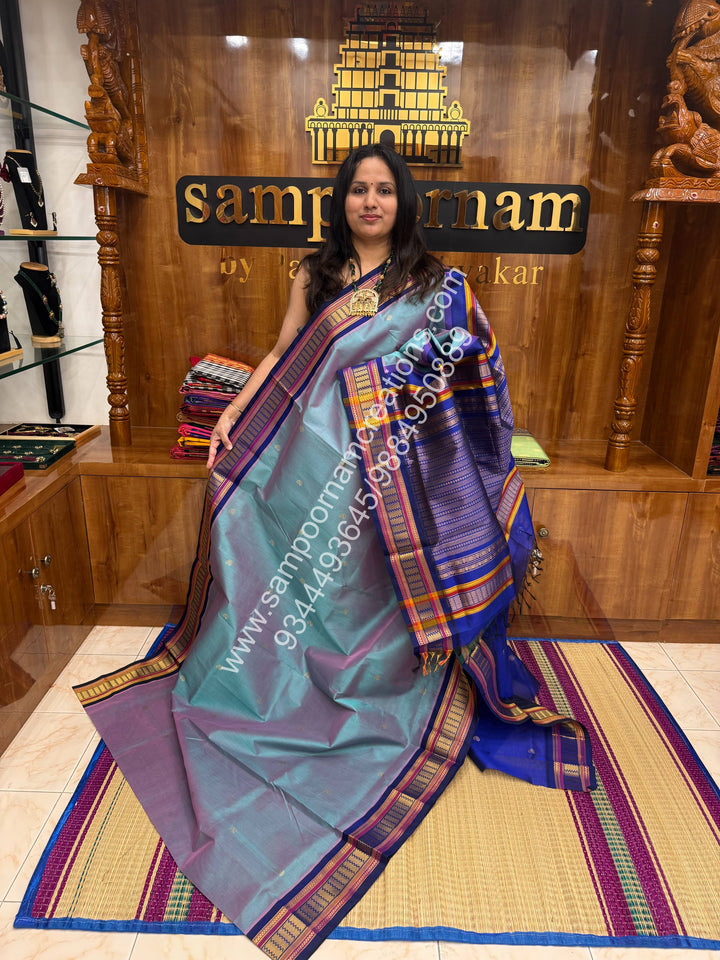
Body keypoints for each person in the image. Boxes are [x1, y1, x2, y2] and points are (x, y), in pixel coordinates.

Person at [75, 143, 594, 960]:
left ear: (404, 201)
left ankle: (376, 676)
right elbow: (285, 354)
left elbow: (474, 366)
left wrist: (410, 382)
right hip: (312, 450)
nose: (372, 202)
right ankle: (283, 672)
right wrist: (231, 416)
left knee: (369, 572)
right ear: (342, 199)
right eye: (359, 189)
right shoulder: (313, 272)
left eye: (385, 190)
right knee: (267, 530)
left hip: (395, 465)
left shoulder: (435, 283)